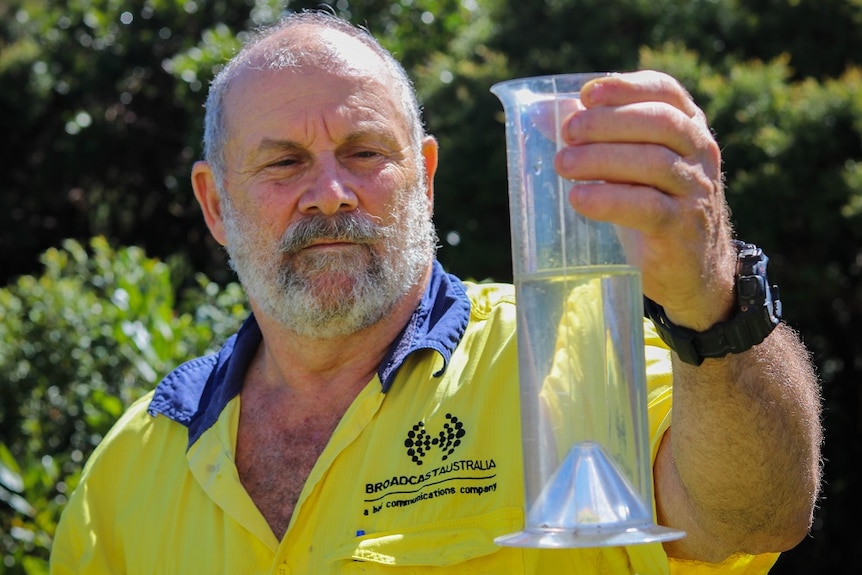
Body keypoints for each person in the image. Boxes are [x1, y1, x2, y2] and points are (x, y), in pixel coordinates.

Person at [49, 10, 823, 575]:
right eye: (283, 162)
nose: (330, 194)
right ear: (216, 204)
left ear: (424, 176)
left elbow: (753, 514)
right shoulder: (128, 471)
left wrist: (714, 300)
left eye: (364, 152)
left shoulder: (563, 360)